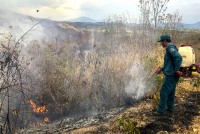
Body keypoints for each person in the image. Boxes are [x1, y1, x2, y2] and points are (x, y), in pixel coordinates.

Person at [156, 34, 182, 114]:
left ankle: (160, 111)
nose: (161, 44)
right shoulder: (171, 47)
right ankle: (170, 109)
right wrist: (162, 69)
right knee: (171, 92)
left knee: (164, 92)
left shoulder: (170, 48)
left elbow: (178, 57)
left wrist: (176, 70)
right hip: (172, 75)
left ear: (165, 41)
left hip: (171, 75)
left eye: (161, 42)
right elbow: (170, 63)